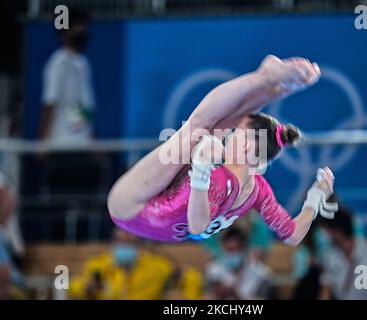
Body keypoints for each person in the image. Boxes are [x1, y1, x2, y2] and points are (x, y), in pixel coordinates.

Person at [108, 55, 338, 245]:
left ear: (247, 144)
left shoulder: (220, 179)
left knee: (197, 128)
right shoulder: (258, 190)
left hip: (131, 206)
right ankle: (278, 86)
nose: (230, 132)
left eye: (237, 131)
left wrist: (200, 172)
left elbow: (198, 225)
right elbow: (294, 234)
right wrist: (315, 198)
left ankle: (269, 80)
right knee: (208, 128)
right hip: (165, 228)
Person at [69, 228, 203, 300]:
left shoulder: (157, 265)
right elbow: (73, 287)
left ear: (139, 245)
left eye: (130, 243)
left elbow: (191, 277)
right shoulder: (98, 265)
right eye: (121, 242)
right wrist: (86, 288)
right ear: (113, 243)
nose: (125, 246)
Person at [39, 8, 95, 143]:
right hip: (60, 143)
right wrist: (43, 142)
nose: (82, 31)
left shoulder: (83, 64)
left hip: (81, 142)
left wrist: (90, 138)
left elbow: (84, 108)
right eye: (78, 27)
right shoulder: (58, 63)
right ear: (65, 33)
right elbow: (50, 103)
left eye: (84, 27)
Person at [318, 204, 367, 300]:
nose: (325, 235)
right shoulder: (328, 257)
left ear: (337, 231)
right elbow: (326, 290)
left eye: (327, 230)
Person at [204, 227, 273, 299]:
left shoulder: (261, 273)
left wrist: (236, 295)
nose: (232, 255)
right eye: (228, 250)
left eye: (235, 250)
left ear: (244, 248)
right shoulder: (213, 270)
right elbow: (207, 296)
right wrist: (217, 293)